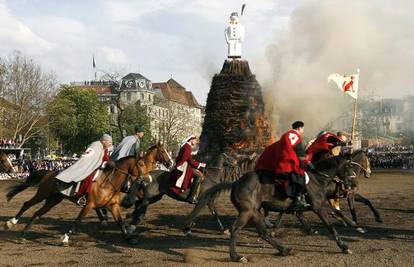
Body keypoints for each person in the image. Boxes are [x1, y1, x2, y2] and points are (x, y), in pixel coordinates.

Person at [255, 121, 309, 210]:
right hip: (286, 163)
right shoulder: (295, 135)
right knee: (301, 177)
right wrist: (305, 161)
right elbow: (298, 150)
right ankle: (297, 200)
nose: (303, 130)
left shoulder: (286, 134)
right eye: (303, 128)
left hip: (283, 161)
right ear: (299, 128)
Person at [56, 134, 113, 201]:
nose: (110, 144)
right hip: (90, 167)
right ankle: (81, 195)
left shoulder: (104, 149)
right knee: (89, 177)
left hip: (99, 167)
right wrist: (95, 164)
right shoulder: (95, 145)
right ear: (104, 141)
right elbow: (88, 157)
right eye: (109, 142)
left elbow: (105, 159)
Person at [170, 135, 206, 204]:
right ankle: (191, 197)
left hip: (185, 165)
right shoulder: (187, 147)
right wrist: (200, 164)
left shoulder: (186, 146)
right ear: (191, 140)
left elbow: (188, 158)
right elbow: (189, 160)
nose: (196, 142)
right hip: (184, 167)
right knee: (198, 177)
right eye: (195, 140)